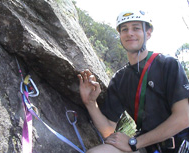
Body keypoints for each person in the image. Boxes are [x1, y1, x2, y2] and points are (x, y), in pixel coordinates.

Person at [77, 10, 189, 153]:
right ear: (120, 36)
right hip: (147, 147)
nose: (129, 33)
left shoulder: (168, 64)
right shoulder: (120, 79)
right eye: (124, 29)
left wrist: (134, 142)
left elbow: (184, 117)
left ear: (147, 33)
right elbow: (109, 132)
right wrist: (90, 103)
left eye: (136, 28)